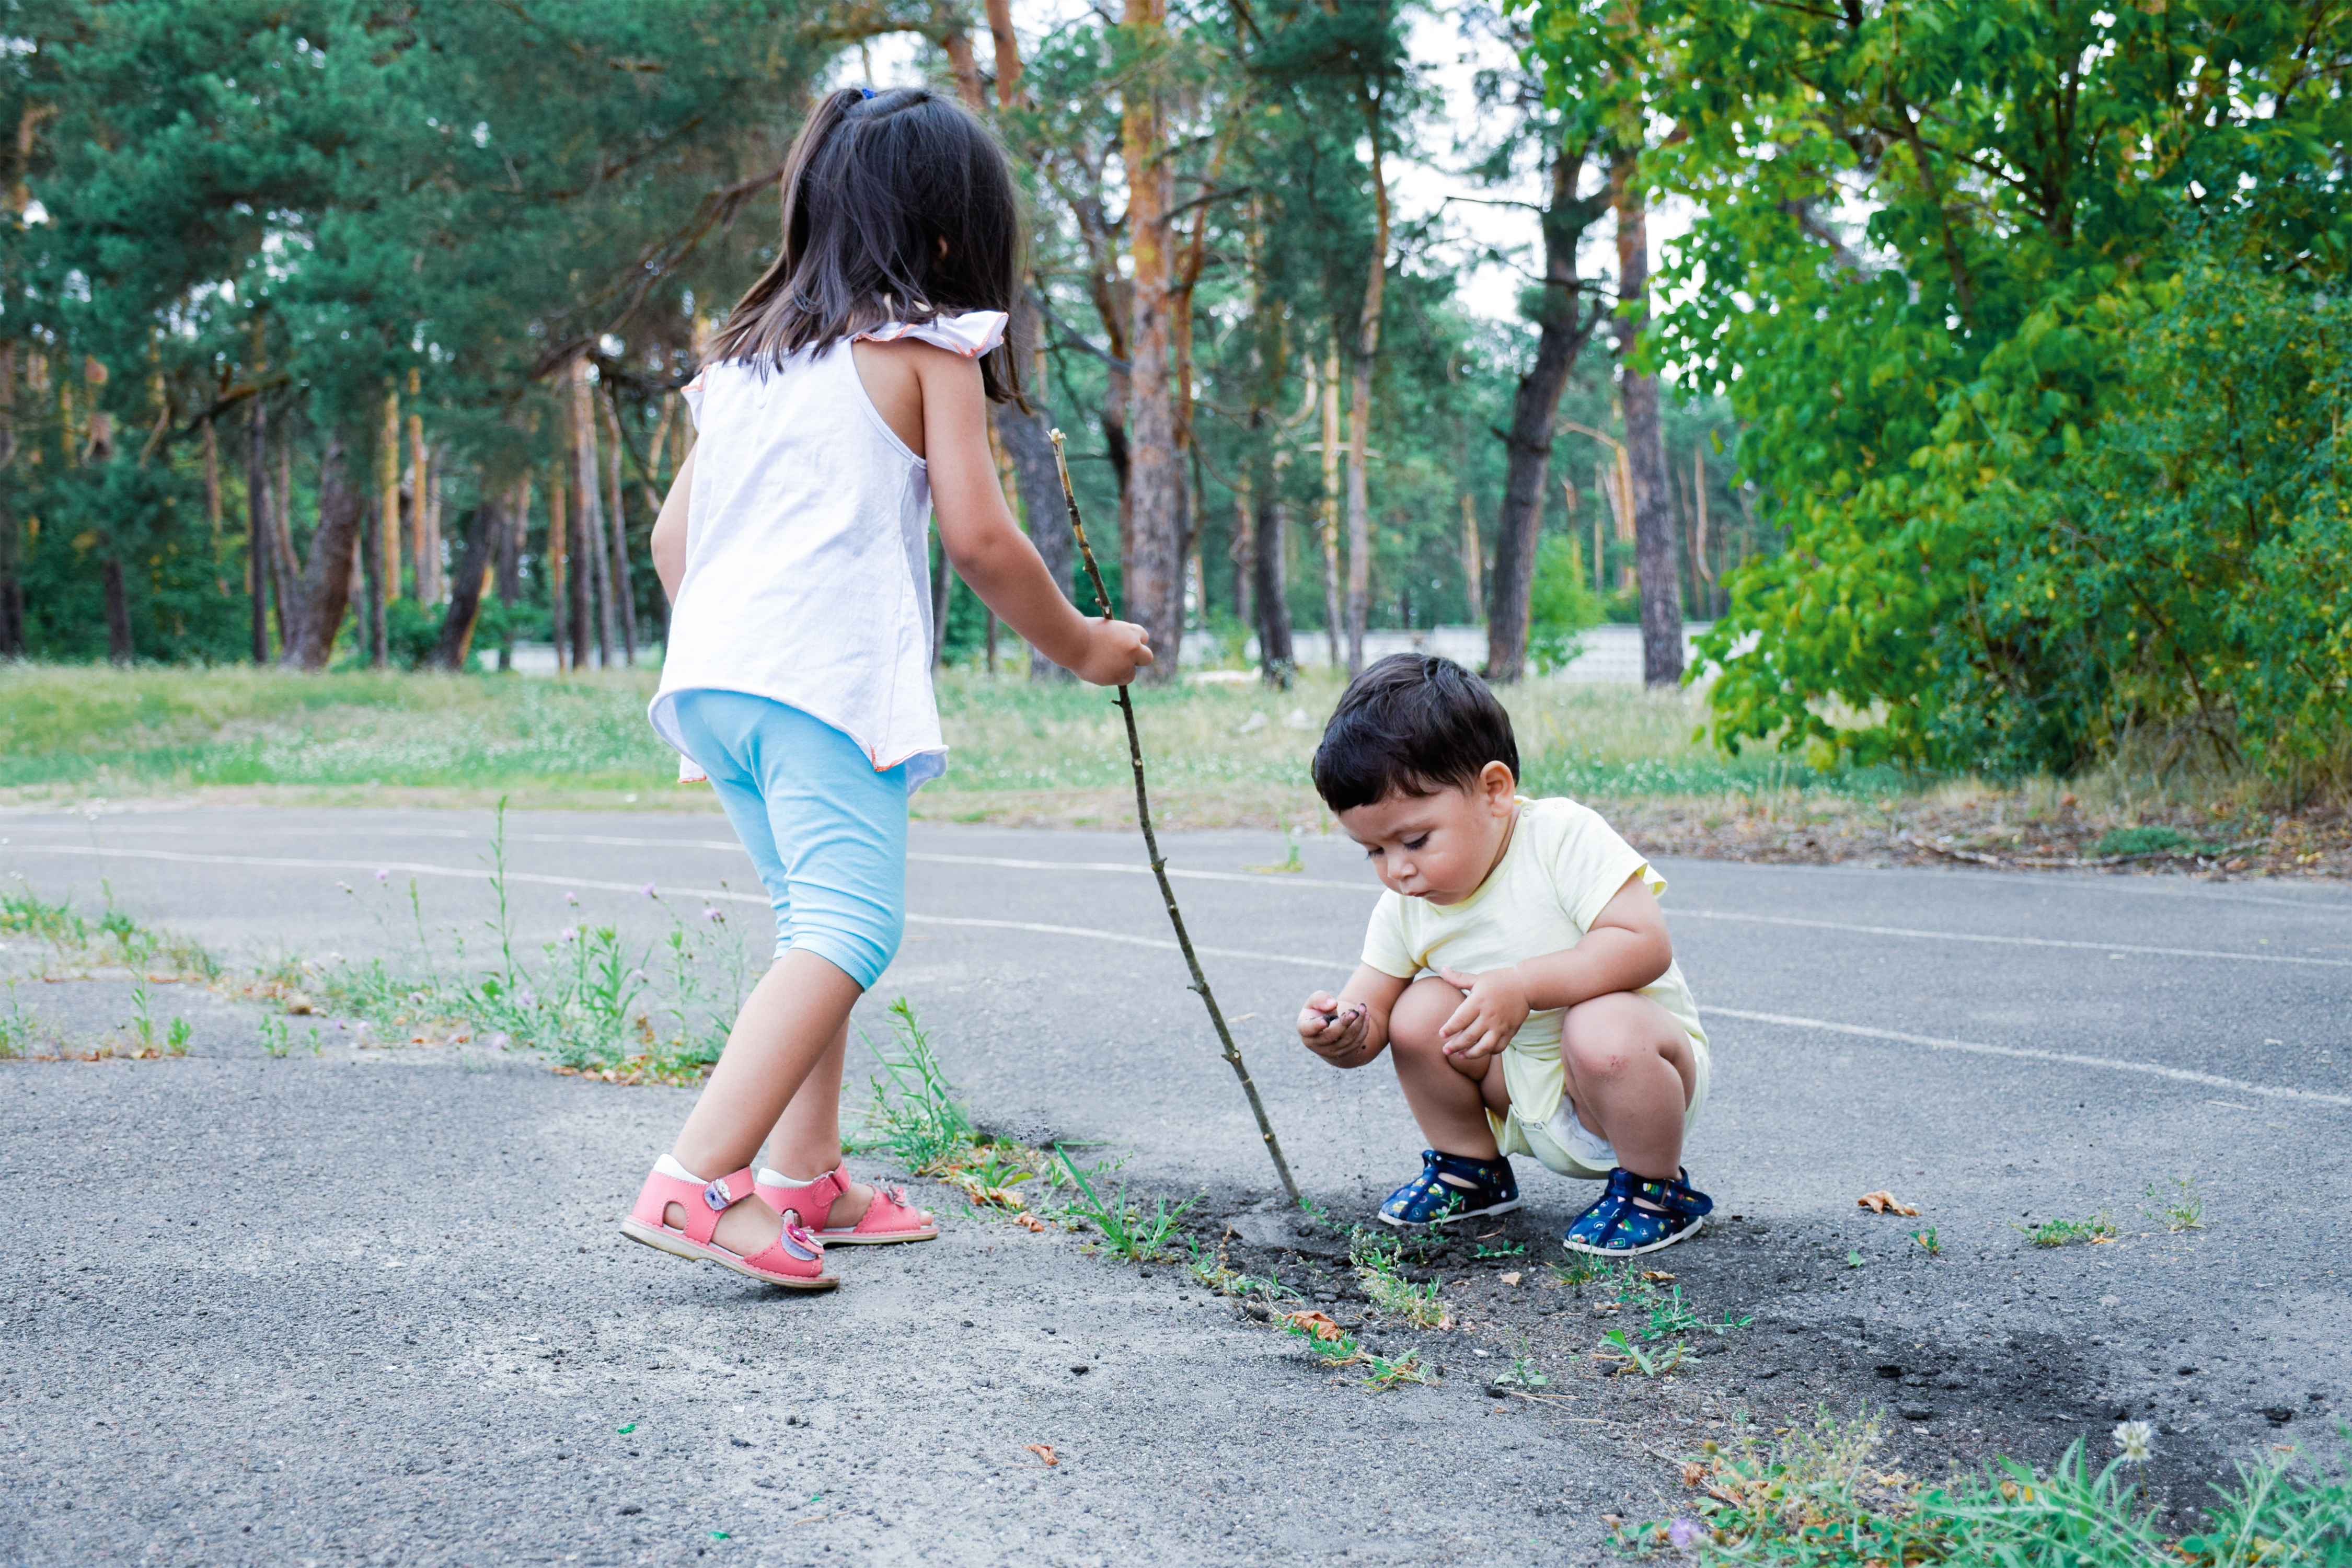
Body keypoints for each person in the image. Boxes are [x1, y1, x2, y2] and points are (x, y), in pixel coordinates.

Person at [623, 86, 1153, 1290]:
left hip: (713, 677)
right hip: (817, 680)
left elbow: (671, 540)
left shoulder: (748, 362)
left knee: (811, 921)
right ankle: (697, 1178)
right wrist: (1081, 645)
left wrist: (733, 640)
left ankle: (803, 1178)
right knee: (852, 926)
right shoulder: (927, 350)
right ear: (954, 235)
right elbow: (979, 540)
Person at [1293, 655, 1713, 1255]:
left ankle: (1656, 1190)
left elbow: (1644, 944)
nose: (1399, 870)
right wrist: (1341, 1032)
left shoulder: (1561, 838)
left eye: (1414, 840)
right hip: (1517, 1093)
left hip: (1627, 1082)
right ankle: (1471, 1172)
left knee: (1602, 1024)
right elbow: (1373, 1012)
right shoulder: (1408, 905)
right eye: (1374, 852)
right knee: (1417, 1012)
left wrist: (1523, 985)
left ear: (1494, 790)